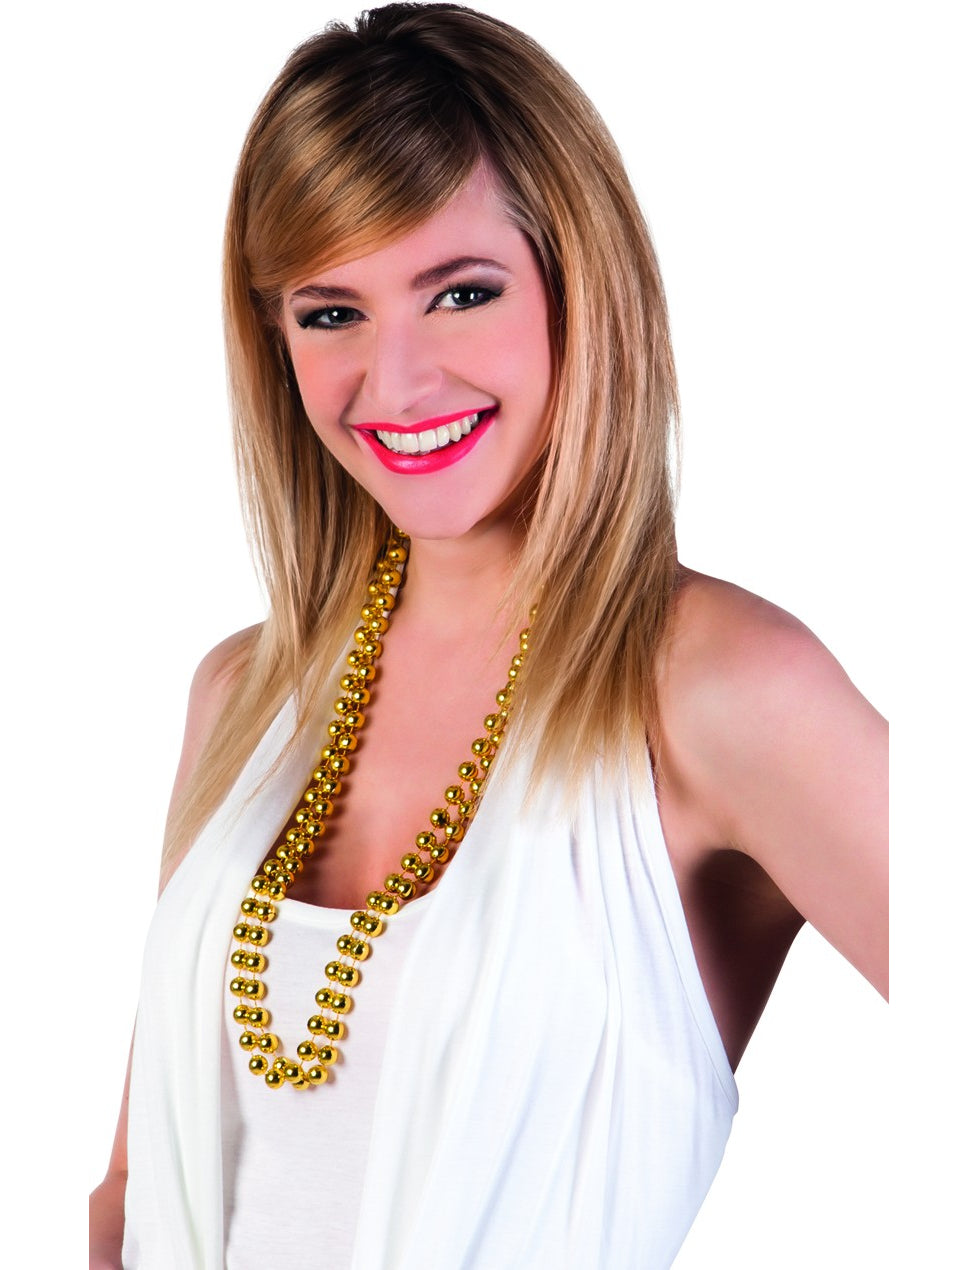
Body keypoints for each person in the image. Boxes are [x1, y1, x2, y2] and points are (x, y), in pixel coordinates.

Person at [88, 4, 888, 1266]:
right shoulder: (242, 691)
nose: (395, 381)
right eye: (330, 312)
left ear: (581, 286)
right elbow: (131, 1195)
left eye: (460, 293)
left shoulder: (719, 688)